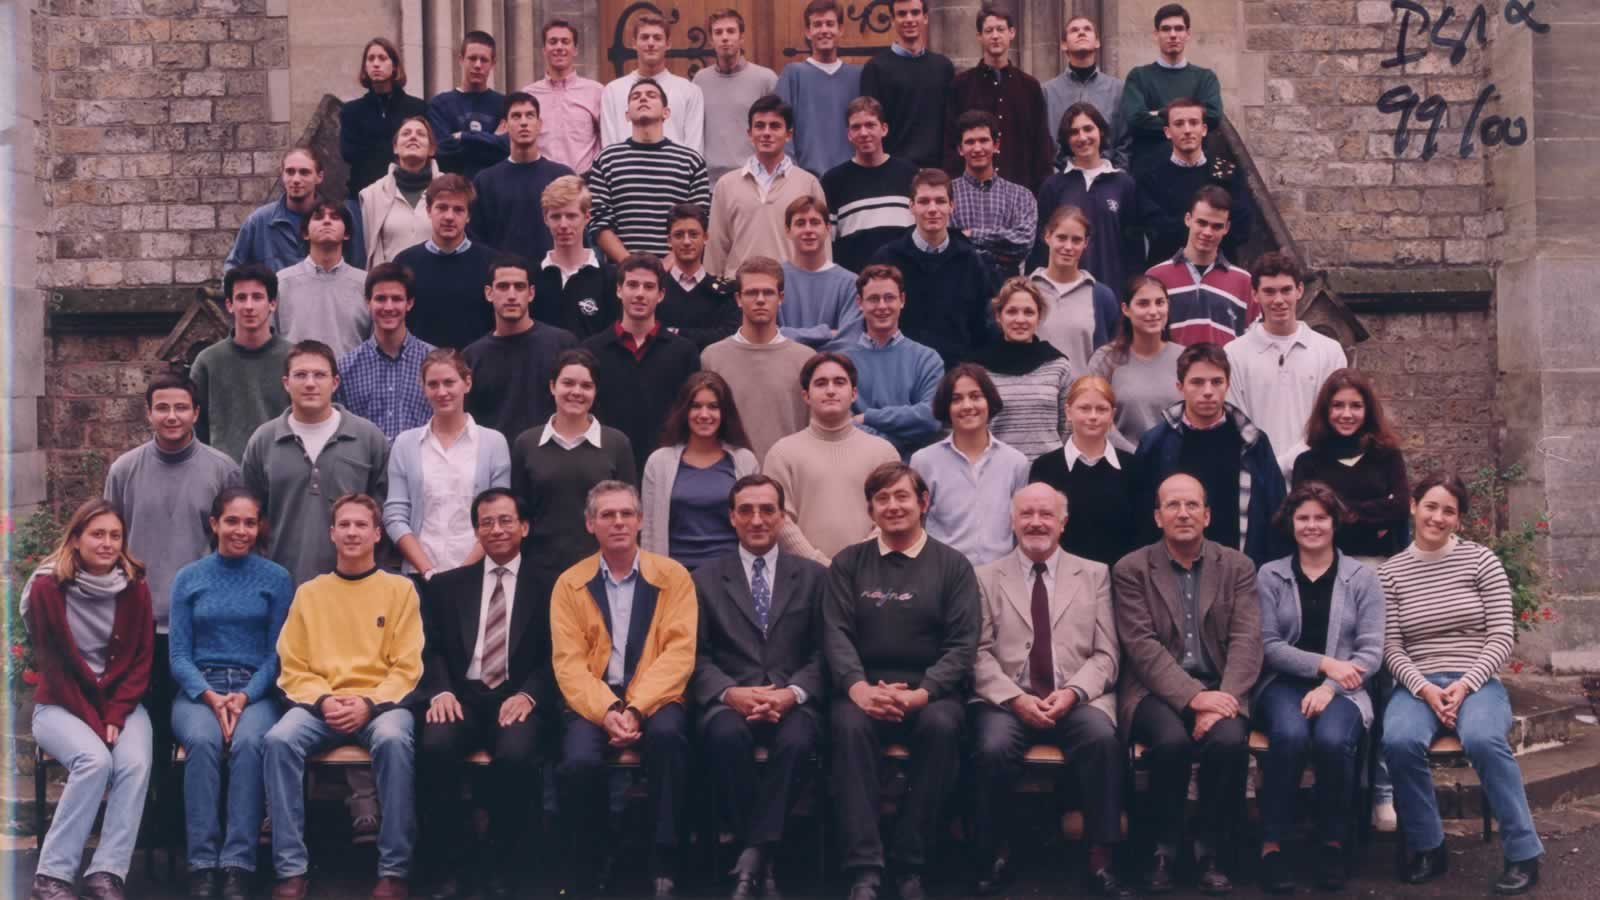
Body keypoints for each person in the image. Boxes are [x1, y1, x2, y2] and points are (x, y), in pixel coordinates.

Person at [1380, 474, 1544, 895]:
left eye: (1448, 511)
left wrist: (1466, 684)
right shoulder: (1391, 573)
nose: (1437, 517)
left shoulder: (1481, 561)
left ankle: (1523, 853)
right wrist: (1424, 688)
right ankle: (1429, 846)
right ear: (1413, 506)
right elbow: (1391, 647)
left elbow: (1502, 636)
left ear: (1459, 520)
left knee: (1484, 739)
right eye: (1430, 506)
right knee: (1399, 741)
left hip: (1477, 681)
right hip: (1418, 684)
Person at [824, 462, 979, 900]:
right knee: (847, 729)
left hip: (931, 692)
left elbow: (962, 645)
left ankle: (912, 863)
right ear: (870, 510)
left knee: (942, 728)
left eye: (902, 496)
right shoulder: (847, 563)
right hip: (861, 690)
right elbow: (835, 634)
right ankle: (864, 869)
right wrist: (859, 689)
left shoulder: (953, 566)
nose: (893, 506)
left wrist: (922, 694)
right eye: (882, 498)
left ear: (923, 502)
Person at [970, 483, 1131, 899]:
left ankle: (1100, 860)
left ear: (1063, 522)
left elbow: (1107, 654)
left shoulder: (1094, 574)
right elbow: (978, 654)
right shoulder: (985, 577)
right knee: (991, 747)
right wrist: (1015, 698)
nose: (1036, 522)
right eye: (1026, 514)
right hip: (1007, 700)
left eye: (1046, 514)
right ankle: (995, 853)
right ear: (1012, 521)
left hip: (1076, 697)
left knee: (1102, 741)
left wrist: (1074, 692)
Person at [264, 494, 423, 900]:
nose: (353, 533)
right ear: (332, 533)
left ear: (377, 533)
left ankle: (394, 869)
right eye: (345, 525)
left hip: (381, 706)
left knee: (393, 740)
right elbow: (292, 664)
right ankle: (290, 869)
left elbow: (407, 666)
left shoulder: (400, 590)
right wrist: (323, 701)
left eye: (361, 525)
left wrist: (369, 704)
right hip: (322, 705)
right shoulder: (310, 593)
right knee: (279, 740)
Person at [1115, 473, 1261, 895]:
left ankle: (1210, 850)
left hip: (1223, 686)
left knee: (1228, 741)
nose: (1183, 513)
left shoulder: (1237, 566)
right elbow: (1141, 646)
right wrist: (1196, 699)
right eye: (1173, 505)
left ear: (1208, 515)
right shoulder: (1131, 569)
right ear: (1157, 516)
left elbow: (1247, 640)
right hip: (1154, 689)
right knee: (1171, 743)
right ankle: (1162, 848)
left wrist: (1221, 700)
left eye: (1192, 505)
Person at [551, 481, 698, 898]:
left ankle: (664, 859)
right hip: (594, 699)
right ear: (590, 524)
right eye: (607, 515)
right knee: (578, 761)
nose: (618, 522)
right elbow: (569, 664)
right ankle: (595, 858)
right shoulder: (570, 583)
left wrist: (635, 708)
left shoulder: (673, 577)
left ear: (640, 521)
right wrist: (609, 710)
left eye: (626, 514)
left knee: (669, 739)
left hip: (656, 695)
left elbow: (679, 654)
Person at [103, 371, 241, 802]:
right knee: (151, 724)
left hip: (203, 623)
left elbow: (234, 543)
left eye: (181, 407)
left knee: (202, 726)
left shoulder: (222, 469)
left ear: (196, 413)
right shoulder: (124, 470)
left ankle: (198, 817)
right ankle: (153, 817)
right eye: (162, 407)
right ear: (148, 413)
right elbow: (110, 542)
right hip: (142, 622)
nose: (172, 416)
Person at [691, 473, 826, 899]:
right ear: (731, 517)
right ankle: (764, 857)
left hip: (794, 700)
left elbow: (826, 653)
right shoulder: (704, 578)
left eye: (767, 510)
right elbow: (695, 655)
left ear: (782, 517)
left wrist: (792, 693)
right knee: (724, 737)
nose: (757, 519)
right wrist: (730, 693)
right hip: (730, 700)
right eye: (746, 510)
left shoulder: (814, 577)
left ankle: (750, 855)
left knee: (798, 741)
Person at [416, 488, 555, 900]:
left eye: (506, 520)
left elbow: (560, 655)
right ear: (477, 531)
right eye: (487, 522)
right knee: (435, 746)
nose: (496, 529)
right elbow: (430, 648)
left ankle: (503, 864)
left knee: (516, 754)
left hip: (517, 695)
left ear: (524, 527)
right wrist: (440, 691)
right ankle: (451, 863)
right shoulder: (447, 585)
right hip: (461, 695)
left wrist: (530, 695)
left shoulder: (550, 585)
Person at [1252, 483, 1384, 894]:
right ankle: (1271, 846)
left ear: (1335, 522)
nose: (1312, 526)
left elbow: (1371, 651)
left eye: (1321, 518)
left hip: (1345, 689)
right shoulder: (1270, 575)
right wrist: (1325, 664)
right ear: (1291, 524)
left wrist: (1329, 686)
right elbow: (1269, 646)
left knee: (1331, 740)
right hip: (1282, 685)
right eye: (1303, 518)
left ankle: (1332, 843)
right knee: (1290, 736)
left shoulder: (1362, 578)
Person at [22, 500, 154, 900]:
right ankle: (52, 877)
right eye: (97, 534)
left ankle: (106, 873)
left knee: (134, 762)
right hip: (60, 704)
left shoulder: (135, 587)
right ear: (76, 539)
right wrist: (98, 723)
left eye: (115, 535)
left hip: (120, 705)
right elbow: (54, 667)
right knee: (94, 761)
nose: (107, 543)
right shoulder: (47, 588)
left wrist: (115, 713)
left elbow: (141, 661)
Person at [167, 487, 292, 900]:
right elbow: (178, 655)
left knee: (251, 742)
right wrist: (209, 695)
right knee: (203, 742)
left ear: (260, 527)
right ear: (214, 523)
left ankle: (238, 862)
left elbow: (278, 654)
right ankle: (202, 864)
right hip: (199, 689)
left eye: (250, 522)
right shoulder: (189, 578)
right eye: (232, 521)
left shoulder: (276, 578)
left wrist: (245, 696)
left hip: (255, 690)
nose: (241, 530)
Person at [240, 340, 390, 587]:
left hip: (355, 586)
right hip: (281, 585)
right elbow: (248, 517)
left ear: (335, 382)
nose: (310, 383)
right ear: (286, 383)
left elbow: (383, 514)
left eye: (320, 375)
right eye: (300, 375)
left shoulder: (368, 438)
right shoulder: (264, 440)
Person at [1132, 342, 1289, 566]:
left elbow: (1276, 514)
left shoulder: (1252, 443)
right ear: (1180, 387)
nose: (1208, 391)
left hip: (1239, 571)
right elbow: (1141, 517)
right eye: (1197, 382)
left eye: (1216, 382)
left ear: (1228, 385)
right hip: (1171, 572)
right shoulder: (1156, 444)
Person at [510, 349, 638, 586]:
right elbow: (519, 515)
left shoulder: (616, 443)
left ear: (595, 391)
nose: (576, 392)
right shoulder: (526, 444)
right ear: (552, 386)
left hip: (603, 573)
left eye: (586, 386)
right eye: (568, 383)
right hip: (540, 574)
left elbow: (629, 514)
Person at [385, 348, 513, 580]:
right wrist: (427, 571)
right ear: (423, 387)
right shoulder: (405, 444)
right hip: (419, 575)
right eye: (433, 384)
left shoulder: (494, 443)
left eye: (449, 382)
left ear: (467, 383)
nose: (442, 392)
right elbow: (395, 515)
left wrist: (462, 574)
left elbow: (499, 515)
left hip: (477, 574)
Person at [766, 353, 899, 565]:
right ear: (806, 395)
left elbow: (892, 514)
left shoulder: (883, 453)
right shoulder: (781, 453)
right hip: (803, 575)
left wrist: (857, 562)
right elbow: (779, 518)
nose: (830, 390)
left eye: (839, 382)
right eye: (821, 383)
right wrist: (817, 564)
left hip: (871, 571)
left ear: (853, 393)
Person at [1224, 252, 1347, 464]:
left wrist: (1288, 464)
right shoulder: (1233, 354)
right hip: (1256, 474)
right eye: (1269, 291)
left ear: (1299, 290)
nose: (1279, 300)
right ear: (1255, 295)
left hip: (1314, 472)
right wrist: (1268, 470)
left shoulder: (1330, 352)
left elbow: (1331, 419)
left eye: (1286, 290)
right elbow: (1236, 423)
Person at [582, 253, 702, 471]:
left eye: (649, 287)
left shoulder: (684, 352)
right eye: (632, 285)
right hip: (605, 465)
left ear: (661, 294)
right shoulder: (591, 351)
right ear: (619, 290)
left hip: (668, 466)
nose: (640, 294)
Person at [869, 169, 997, 368]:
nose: (932, 209)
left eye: (940, 201)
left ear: (951, 206)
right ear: (911, 206)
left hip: (956, 373)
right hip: (901, 370)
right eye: (924, 201)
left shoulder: (971, 261)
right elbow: (872, 321)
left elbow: (983, 326)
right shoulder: (887, 259)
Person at [910, 365, 1028, 567]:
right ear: (946, 407)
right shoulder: (924, 461)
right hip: (943, 574)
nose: (967, 406)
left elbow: (1020, 528)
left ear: (989, 401)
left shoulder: (1016, 462)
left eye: (976, 396)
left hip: (1000, 574)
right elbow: (915, 524)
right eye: (956, 399)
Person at [702, 256, 818, 461]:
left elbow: (814, 428)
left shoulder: (805, 359)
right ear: (738, 299)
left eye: (768, 292)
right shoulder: (712, 357)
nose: (761, 299)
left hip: (788, 472)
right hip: (729, 473)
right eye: (751, 292)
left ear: (780, 297)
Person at [1290, 369, 1411, 563]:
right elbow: (1305, 519)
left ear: (1368, 410)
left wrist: (1333, 509)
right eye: (1338, 405)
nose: (1346, 414)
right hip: (1325, 566)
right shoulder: (1307, 463)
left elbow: (1401, 508)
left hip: (1380, 564)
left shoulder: (1387, 456)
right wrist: (1378, 513)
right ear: (1326, 410)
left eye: (1356, 406)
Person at [641, 372, 759, 571]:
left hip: (731, 575)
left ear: (725, 412)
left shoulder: (744, 461)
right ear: (684, 411)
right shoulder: (658, 463)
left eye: (713, 406)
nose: (704, 415)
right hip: (674, 575)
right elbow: (649, 532)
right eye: (696, 406)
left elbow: (754, 523)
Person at [588, 77, 711, 262]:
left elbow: (700, 222)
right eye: (636, 96)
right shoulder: (606, 160)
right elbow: (599, 222)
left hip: (676, 270)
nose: (643, 98)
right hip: (622, 272)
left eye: (651, 95)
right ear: (627, 115)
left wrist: (667, 266)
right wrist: (631, 266)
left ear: (666, 112)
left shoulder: (691, 161)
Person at [463, 253, 580, 442]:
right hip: (496, 457)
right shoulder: (472, 357)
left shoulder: (562, 344)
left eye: (519, 287)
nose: (512, 295)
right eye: (503, 286)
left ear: (531, 293)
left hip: (554, 453)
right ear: (489, 293)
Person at [708, 95, 828, 278]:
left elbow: (821, 246)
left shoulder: (808, 184)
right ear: (750, 134)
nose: (766, 132)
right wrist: (713, 289)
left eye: (775, 126)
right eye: (759, 126)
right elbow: (716, 248)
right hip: (739, 289)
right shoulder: (726, 185)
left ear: (789, 134)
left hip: (793, 287)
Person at [1028, 375, 1140, 566]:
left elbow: (1141, 531)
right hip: (1062, 575)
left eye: (1101, 409)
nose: (1093, 416)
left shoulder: (1133, 467)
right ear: (1068, 412)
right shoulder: (1045, 468)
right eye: (1084, 408)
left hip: (1121, 575)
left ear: (1112, 415)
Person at [1033, 103, 1140, 297]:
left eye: (1088, 129)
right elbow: (1041, 247)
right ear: (1066, 140)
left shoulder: (1124, 184)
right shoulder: (1053, 186)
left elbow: (1133, 248)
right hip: (1062, 294)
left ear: (1101, 132)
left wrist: (1132, 293)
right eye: (1074, 132)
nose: (1082, 137)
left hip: (1112, 292)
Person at [942, 8, 1052, 192]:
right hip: (970, 190)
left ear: (1012, 33)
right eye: (989, 30)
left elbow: (1041, 145)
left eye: (1000, 29)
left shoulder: (1030, 87)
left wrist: (1041, 190)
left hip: (1020, 189)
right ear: (979, 36)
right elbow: (950, 143)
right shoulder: (961, 86)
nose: (995, 36)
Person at [191, 264, 293, 462]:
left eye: (257, 297)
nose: (249, 306)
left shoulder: (293, 359)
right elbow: (195, 426)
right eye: (241, 298)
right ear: (229, 305)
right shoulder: (208, 362)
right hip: (224, 473)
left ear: (272, 304)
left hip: (280, 470)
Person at [841, 263, 943, 458]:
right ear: (859, 303)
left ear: (902, 300)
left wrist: (868, 417)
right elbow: (841, 424)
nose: (882, 306)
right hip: (858, 464)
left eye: (889, 298)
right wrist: (895, 442)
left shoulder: (927, 359)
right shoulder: (842, 362)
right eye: (873, 299)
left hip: (912, 470)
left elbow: (931, 417)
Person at [1136, 97, 1252, 266]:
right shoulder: (1150, 177)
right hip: (1169, 269)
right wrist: (1213, 230)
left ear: (1203, 129)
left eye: (1193, 123)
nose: (1187, 130)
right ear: (1168, 132)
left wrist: (1188, 231)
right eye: (1179, 124)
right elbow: (1157, 231)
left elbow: (1241, 229)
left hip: (1219, 268)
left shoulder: (1228, 173)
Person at [967, 278, 1072, 460]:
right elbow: (971, 428)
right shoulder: (978, 370)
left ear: (1039, 317)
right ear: (999, 316)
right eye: (1012, 311)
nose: (1020, 319)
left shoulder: (1058, 365)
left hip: (1048, 471)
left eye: (1028, 312)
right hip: (997, 469)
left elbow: (1068, 425)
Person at [393, 174, 499, 351]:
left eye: (458, 210)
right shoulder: (405, 262)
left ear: (469, 216)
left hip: (474, 363)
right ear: (428, 211)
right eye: (442, 208)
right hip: (420, 364)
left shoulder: (492, 263)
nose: (449, 216)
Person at [333, 262, 437, 442]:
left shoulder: (433, 362)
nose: (388, 307)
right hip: (365, 460)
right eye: (380, 299)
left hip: (422, 459)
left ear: (409, 303)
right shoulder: (346, 367)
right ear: (368, 302)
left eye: (397, 299)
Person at [470, 91, 575, 264]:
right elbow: (477, 239)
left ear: (539, 124)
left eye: (530, 115)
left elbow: (578, 234)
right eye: (516, 116)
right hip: (505, 276)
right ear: (505, 125)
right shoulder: (486, 181)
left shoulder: (562, 177)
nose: (524, 122)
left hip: (554, 273)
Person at [1146, 184, 1258, 346]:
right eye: (1202, 223)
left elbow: (1255, 343)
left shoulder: (1244, 282)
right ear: (1188, 219)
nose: (1207, 232)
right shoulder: (1155, 277)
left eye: (1216, 226)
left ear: (1226, 228)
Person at [1119, 4, 1223, 170]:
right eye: (1166, 29)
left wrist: (1158, 113)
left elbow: (1213, 117)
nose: (1173, 35)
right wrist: (1191, 121)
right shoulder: (1138, 77)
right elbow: (1135, 121)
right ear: (1156, 34)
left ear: (1188, 34)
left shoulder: (1205, 78)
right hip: (1150, 170)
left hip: (1194, 170)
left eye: (1179, 29)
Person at [1087, 275, 1184, 451]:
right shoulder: (1106, 359)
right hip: (1121, 460)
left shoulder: (1185, 358)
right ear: (1126, 309)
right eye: (1143, 304)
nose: (1153, 311)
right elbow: (1095, 415)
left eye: (1160, 302)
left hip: (1176, 461)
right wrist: (1135, 455)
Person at [821, 97, 917, 274]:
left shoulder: (909, 174)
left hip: (905, 281)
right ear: (849, 134)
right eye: (856, 127)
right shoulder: (833, 181)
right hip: (855, 282)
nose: (863, 133)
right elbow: (828, 244)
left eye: (870, 125)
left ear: (884, 129)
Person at [860, 0, 954, 169]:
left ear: (925, 17)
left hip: (936, 170)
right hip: (893, 169)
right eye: (902, 14)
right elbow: (869, 124)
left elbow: (950, 122)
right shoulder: (876, 68)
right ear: (892, 20)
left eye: (915, 13)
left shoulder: (943, 67)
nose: (909, 19)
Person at [1026, 205, 1120, 371]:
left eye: (1076, 240)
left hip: (1084, 387)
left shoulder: (1101, 296)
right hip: (1036, 387)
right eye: (1061, 238)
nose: (1068, 247)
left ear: (1086, 243)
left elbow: (1112, 357)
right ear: (1047, 236)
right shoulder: (1026, 291)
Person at [775, 0, 862, 177]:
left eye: (830, 24)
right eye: (817, 24)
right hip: (806, 177)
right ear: (808, 32)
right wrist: (793, 174)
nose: (824, 30)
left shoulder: (857, 76)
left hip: (851, 176)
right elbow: (781, 126)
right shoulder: (793, 75)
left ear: (841, 29)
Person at [273, 200, 371, 358]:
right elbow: (271, 341)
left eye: (335, 217)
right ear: (305, 233)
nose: (327, 221)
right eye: (318, 217)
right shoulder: (282, 282)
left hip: (351, 373)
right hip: (298, 372)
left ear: (347, 233)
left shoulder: (366, 284)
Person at [948, 110, 1037, 279]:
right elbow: (946, 244)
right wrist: (1000, 251)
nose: (977, 148)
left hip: (1006, 289)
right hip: (958, 283)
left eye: (983, 140)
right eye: (970, 142)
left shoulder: (1021, 196)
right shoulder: (946, 193)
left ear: (996, 145)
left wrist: (971, 235)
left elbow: (1023, 242)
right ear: (960, 149)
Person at [599, 12, 705, 152]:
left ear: (668, 44)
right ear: (634, 44)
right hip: (625, 166)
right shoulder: (613, 91)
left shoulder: (689, 91)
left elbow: (694, 148)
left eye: (657, 38)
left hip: (674, 166)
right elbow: (609, 148)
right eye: (644, 37)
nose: (650, 43)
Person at [693, 9, 778, 183]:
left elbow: (779, 130)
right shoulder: (700, 80)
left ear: (742, 37)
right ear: (711, 40)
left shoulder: (765, 79)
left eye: (731, 31)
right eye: (718, 32)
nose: (725, 37)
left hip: (754, 179)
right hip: (711, 182)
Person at [533, 175, 618, 339]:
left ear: (587, 217)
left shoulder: (610, 278)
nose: (563, 225)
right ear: (545, 219)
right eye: (556, 216)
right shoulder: (532, 277)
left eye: (571, 216)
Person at [342, 37, 430, 195]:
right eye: (371, 59)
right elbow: (349, 153)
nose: (376, 64)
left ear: (394, 66)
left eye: (382, 58)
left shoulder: (417, 108)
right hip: (363, 192)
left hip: (406, 190)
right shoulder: (351, 111)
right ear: (365, 67)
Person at [777, 196, 863, 348]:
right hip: (783, 362)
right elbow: (768, 336)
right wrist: (827, 333)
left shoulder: (851, 283)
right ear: (788, 231)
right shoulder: (775, 280)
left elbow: (850, 340)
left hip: (834, 363)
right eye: (800, 223)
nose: (808, 230)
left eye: (815, 222)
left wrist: (789, 335)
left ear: (828, 228)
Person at [224, 146, 323, 274]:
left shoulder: (333, 220)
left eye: (304, 172)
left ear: (319, 177)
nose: (296, 179)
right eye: (290, 172)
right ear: (282, 174)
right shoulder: (259, 221)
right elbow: (233, 267)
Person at [1043, 16, 1126, 169]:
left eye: (1087, 29)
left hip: (1108, 175)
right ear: (1063, 45)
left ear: (1097, 42)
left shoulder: (1118, 89)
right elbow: (1041, 140)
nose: (1081, 33)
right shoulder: (1047, 92)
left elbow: (1125, 139)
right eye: (1074, 30)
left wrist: (1118, 174)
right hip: (1061, 175)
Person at [358, 115, 439, 268]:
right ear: (395, 147)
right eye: (406, 133)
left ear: (431, 149)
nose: (413, 137)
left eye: (421, 134)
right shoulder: (372, 195)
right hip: (391, 280)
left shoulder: (450, 190)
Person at [524, 19, 603, 174]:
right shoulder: (528, 95)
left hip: (583, 181)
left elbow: (606, 140)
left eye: (565, 42)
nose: (559, 47)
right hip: (541, 180)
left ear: (575, 50)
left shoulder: (596, 92)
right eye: (553, 42)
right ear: (544, 50)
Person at [427, 31, 509, 179]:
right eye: (472, 58)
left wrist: (462, 136)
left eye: (484, 60)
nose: (477, 65)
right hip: (453, 187)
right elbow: (442, 152)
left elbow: (506, 149)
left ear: (493, 64)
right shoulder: (439, 104)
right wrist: (493, 139)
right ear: (461, 60)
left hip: (493, 186)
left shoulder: (504, 105)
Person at [659, 204, 741, 349]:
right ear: (669, 240)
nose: (686, 241)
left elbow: (730, 336)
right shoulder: (655, 289)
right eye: (679, 235)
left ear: (705, 237)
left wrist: (676, 332)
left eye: (693, 234)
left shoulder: (724, 292)